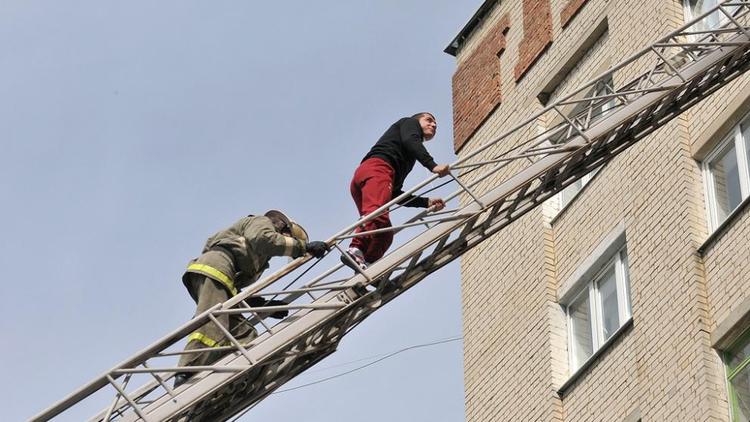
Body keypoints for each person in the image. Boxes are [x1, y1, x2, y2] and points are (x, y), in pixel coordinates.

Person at [174, 210, 329, 387]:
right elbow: (264, 240)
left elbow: (235, 289)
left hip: (222, 277)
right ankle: (187, 372)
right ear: (283, 227)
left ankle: (229, 383)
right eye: (290, 239)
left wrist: (262, 305)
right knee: (214, 326)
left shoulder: (259, 257)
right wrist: (303, 247)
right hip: (216, 268)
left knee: (243, 334)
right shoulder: (261, 223)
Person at [342, 112, 450, 271]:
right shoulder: (409, 123)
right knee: (377, 214)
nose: (433, 125)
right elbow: (411, 140)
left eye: (436, 125)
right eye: (429, 120)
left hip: (370, 175)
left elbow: (394, 193)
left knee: (384, 233)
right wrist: (432, 165)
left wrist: (425, 202)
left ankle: (368, 266)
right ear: (416, 121)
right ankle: (355, 249)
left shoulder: (405, 155)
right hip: (378, 169)